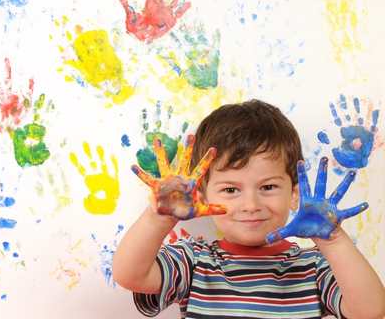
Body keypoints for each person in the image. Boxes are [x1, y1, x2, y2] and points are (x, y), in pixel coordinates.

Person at [113, 99, 385, 319]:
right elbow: (130, 276)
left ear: (294, 194)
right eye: (231, 190)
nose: (251, 205)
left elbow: (371, 312)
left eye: (267, 187)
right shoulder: (192, 261)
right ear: (201, 195)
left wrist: (334, 240)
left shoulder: (313, 268)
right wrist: (159, 218)